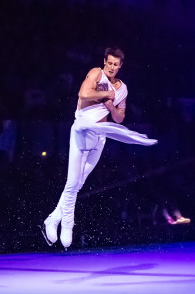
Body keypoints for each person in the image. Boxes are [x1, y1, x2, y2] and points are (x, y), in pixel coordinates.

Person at [40, 47, 158, 250]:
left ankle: (51, 220)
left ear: (120, 66)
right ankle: (67, 224)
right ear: (105, 61)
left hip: (100, 136)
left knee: (79, 184)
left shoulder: (123, 88)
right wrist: (105, 93)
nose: (112, 67)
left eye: (116, 64)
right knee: (72, 182)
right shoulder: (96, 73)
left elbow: (119, 118)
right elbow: (83, 93)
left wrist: (111, 105)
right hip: (82, 130)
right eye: (109, 63)